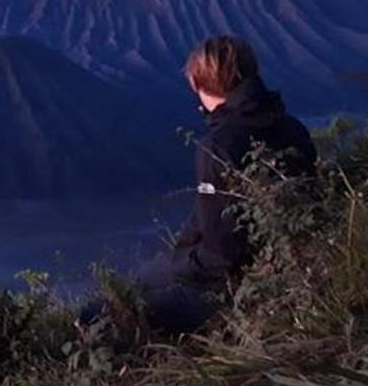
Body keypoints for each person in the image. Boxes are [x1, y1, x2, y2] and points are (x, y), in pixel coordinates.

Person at [83, 35, 318, 332]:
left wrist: (183, 261)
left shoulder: (218, 145)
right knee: (146, 276)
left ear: (202, 84)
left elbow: (220, 256)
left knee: (100, 314)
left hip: (226, 287)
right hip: (285, 265)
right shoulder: (292, 127)